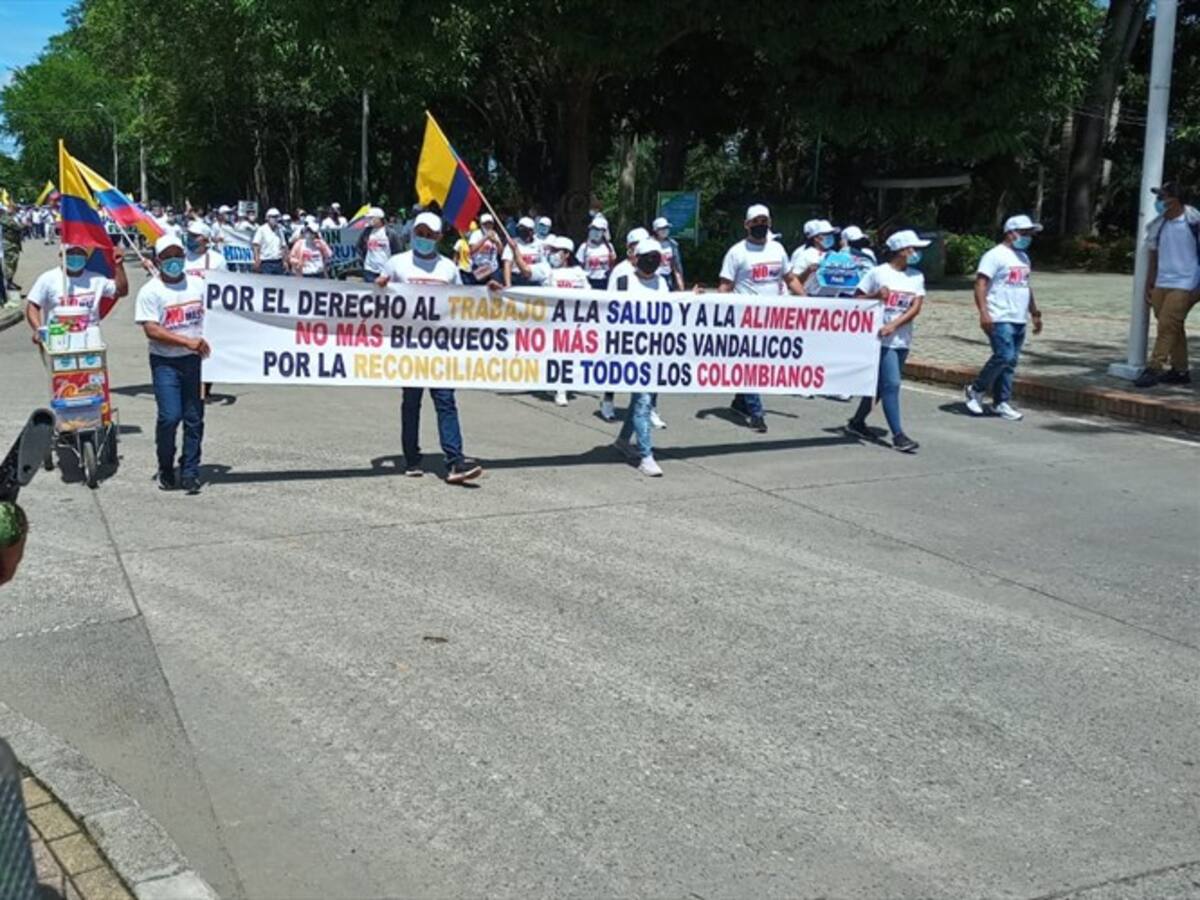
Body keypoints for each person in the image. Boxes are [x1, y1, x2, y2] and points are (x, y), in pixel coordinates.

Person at [376, 211, 484, 484]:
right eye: (420, 233)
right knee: (411, 403)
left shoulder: (448, 268)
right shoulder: (396, 263)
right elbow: (375, 302)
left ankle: (455, 462)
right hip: (409, 348)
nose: (424, 238)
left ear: (438, 237)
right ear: (414, 233)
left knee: (446, 402)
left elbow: (462, 303)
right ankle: (412, 458)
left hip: (440, 349)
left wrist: (490, 295)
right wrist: (377, 289)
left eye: (430, 234)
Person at [718, 204, 804, 432]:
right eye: (755, 222)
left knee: (759, 363)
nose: (760, 225)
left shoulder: (777, 249)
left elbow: (789, 278)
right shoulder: (737, 252)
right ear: (746, 225)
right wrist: (719, 315)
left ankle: (740, 402)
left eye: (764, 221)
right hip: (744, 319)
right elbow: (725, 286)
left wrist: (806, 298)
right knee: (750, 364)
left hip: (772, 319)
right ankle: (756, 413)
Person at [135, 234, 210, 494]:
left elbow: (221, 311)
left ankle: (190, 470)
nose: (174, 261)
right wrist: (184, 341)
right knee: (169, 417)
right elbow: (151, 329)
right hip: (165, 362)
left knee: (194, 418)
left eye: (178, 255)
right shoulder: (151, 291)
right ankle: (165, 466)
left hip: (195, 362)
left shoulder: (199, 285)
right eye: (168, 257)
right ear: (158, 260)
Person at [845, 229, 928, 453]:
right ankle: (898, 435)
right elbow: (856, 299)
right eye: (913, 249)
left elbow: (916, 306)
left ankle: (856, 422)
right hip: (880, 340)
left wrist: (895, 324)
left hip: (902, 338)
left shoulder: (916, 276)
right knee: (891, 384)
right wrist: (875, 297)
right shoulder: (877, 273)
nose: (916, 253)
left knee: (880, 387)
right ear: (900, 251)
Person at [964, 215, 1045, 419]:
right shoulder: (995, 255)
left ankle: (1001, 402)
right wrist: (984, 312)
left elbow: (1025, 287)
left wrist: (1034, 312)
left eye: (1030, 233)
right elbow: (980, 284)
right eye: (1024, 232)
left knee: (1011, 362)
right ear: (1011, 233)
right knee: (1004, 355)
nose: (1028, 237)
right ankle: (976, 389)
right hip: (999, 315)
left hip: (1018, 317)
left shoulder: (1023, 258)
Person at [611, 238, 670, 477]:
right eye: (648, 257)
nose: (653, 261)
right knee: (644, 401)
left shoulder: (662, 282)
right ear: (636, 258)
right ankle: (646, 455)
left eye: (657, 257)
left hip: (654, 351)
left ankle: (623, 441)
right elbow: (606, 311)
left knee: (640, 401)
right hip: (630, 352)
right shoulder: (623, 281)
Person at [1134, 182, 1200, 388]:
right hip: (1162, 282)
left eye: (1163, 197)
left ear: (1176, 200)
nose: (1159, 202)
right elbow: (1154, 256)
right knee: (1173, 326)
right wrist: (1149, 283)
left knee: (1166, 324)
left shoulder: (1194, 222)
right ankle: (1180, 371)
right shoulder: (1158, 225)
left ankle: (1154, 367)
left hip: (1186, 283)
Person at [598, 227, 652, 423]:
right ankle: (607, 402)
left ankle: (648, 408)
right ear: (630, 248)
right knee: (615, 367)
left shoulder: (653, 270)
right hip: (625, 328)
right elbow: (615, 300)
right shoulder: (621, 271)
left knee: (649, 370)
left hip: (647, 329)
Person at [25, 243, 129, 337]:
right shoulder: (48, 279)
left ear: (86, 258)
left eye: (80, 254)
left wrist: (118, 265)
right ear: (62, 256)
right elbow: (33, 305)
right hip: (58, 338)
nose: (76, 257)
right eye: (71, 253)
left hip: (89, 338)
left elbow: (121, 291)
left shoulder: (97, 279)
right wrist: (38, 329)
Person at [790, 218, 836, 294]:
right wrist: (808, 271)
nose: (829, 237)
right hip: (810, 298)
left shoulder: (834, 254)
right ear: (816, 238)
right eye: (826, 234)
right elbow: (793, 280)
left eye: (831, 234)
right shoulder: (805, 254)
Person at [357, 207, 402, 283]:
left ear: (379, 218)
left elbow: (398, 250)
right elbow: (359, 246)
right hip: (369, 270)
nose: (369, 220)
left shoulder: (390, 233)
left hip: (386, 271)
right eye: (369, 218)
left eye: (372, 218)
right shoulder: (366, 232)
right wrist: (363, 261)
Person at [577, 214, 617, 289]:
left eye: (599, 229)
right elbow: (579, 265)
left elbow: (613, 263)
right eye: (593, 228)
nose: (595, 231)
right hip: (588, 281)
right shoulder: (584, 247)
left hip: (604, 281)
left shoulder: (609, 247)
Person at [502, 216, 544, 287]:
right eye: (520, 228)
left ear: (531, 231)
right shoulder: (512, 244)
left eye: (524, 229)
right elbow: (507, 265)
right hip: (517, 278)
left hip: (534, 278)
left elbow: (543, 263)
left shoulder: (539, 244)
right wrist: (508, 285)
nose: (521, 231)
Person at [651, 217, 685, 291]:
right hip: (652, 277)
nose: (665, 230)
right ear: (656, 230)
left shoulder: (672, 244)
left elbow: (676, 266)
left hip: (667, 278)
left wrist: (680, 284)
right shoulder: (649, 243)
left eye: (666, 228)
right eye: (662, 228)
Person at [252, 208, 288, 274]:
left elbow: (283, 246)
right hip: (266, 262)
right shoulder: (261, 229)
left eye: (276, 217)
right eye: (272, 217)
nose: (275, 219)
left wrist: (285, 261)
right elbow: (256, 245)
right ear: (267, 218)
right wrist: (257, 259)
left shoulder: (280, 230)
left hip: (278, 262)